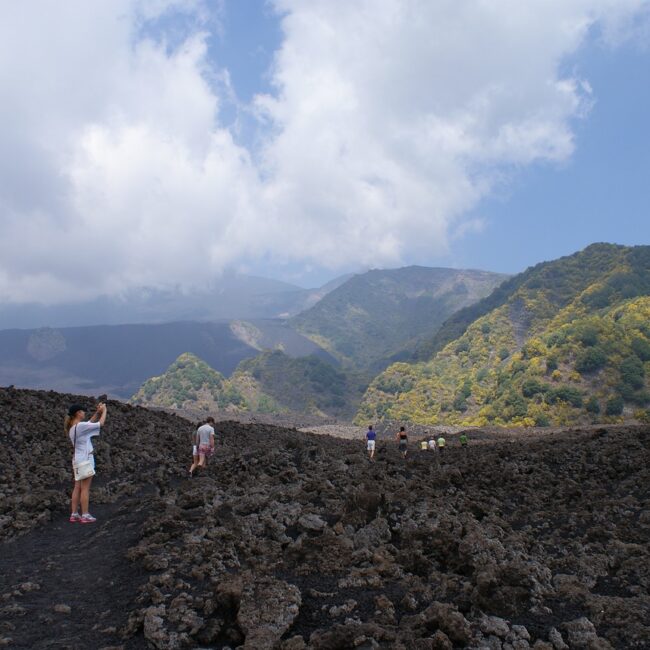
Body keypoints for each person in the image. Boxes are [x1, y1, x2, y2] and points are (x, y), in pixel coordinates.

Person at [65, 402, 107, 524]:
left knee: (77, 487)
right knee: (85, 488)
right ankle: (85, 514)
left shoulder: (73, 428)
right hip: (85, 460)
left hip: (77, 460)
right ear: (78, 413)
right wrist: (104, 411)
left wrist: (97, 413)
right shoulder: (81, 426)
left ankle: (74, 514)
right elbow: (100, 424)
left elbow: (89, 424)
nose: (84, 413)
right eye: (82, 411)